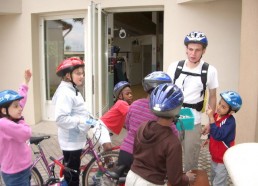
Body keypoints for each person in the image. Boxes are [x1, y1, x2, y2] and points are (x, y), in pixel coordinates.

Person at [167, 31, 219, 172]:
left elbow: (213, 96)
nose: (193, 53)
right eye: (190, 49)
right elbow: (167, 91)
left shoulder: (210, 71)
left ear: (204, 51)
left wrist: (210, 120)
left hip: (193, 119)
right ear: (186, 49)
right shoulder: (174, 67)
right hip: (174, 117)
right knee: (171, 156)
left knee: (191, 159)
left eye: (197, 50)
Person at [125, 83, 196, 186]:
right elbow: (175, 180)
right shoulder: (172, 142)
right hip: (151, 183)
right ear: (177, 109)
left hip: (131, 177)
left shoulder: (143, 127)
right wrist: (187, 179)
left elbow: (136, 153)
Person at [117, 71, 178, 173]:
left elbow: (127, 126)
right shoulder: (163, 112)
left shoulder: (134, 104)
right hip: (146, 159)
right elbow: (175, 136)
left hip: (125, 152)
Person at [52, 57, 99, 186]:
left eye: (82, 73)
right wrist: (82, 121)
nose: (82, 76)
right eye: (78, 73)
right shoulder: (65, 93)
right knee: (73, 179)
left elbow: (79, 110)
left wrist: (90, 119)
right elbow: (61, 119)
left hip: (75, 140)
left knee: (72, 175)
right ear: (68, 75)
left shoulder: (72, 89)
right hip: (71, 143)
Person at [91, 81, 133, 185]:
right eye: (127, 94)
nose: (130, 95)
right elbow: (133, 115)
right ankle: (106, 172)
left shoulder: (124, 105)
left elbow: (125, 123)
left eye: (131, 93)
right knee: (108, 149)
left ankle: (100, 174)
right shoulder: (121, 103)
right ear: (120, 96)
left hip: (108, 130)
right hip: (102, 126)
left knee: (110, 153)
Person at [0, 69, 32, 186]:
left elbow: (20, 101)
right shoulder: (4, 123)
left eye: (19, 105)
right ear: (4, 110)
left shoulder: (10, 116)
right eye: (16, 106)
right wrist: (21, 120)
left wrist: (25, 82)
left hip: (23, 168)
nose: (20, 108)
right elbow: (26, 133)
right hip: (15, 174)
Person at [205, 91, 242, 186]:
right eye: (219, 104)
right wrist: (209, 138)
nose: (219, 107)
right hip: (214, 156)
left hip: (223, 158)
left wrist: (211, 119)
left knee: (219, 182)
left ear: (232, 111)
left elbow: (218, 135)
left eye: (223, 107)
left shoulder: (230, 122)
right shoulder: (216, 116)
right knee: (213, 177)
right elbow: (213, 131)